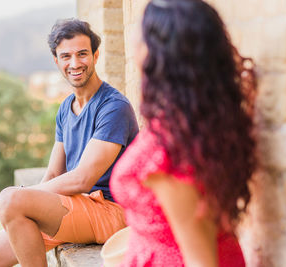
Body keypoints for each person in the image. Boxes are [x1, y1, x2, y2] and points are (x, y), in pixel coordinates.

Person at [0, 19, 139, 267]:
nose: (75, 63)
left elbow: (82, 179)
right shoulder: (65, 109)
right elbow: (54, 173)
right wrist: (24, 205)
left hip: (112, 210)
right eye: (66, 56)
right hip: (77, 206)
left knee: (10, 199)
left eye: (82, 54)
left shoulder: (113, 107)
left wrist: (19, 199)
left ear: (96, 55)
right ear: (56, 61)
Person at [110, 0, 257, 266]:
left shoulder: (170, 149)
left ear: (157, 52)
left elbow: (201, 261)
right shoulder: (198, 123)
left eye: (142, 30)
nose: (134, 37)